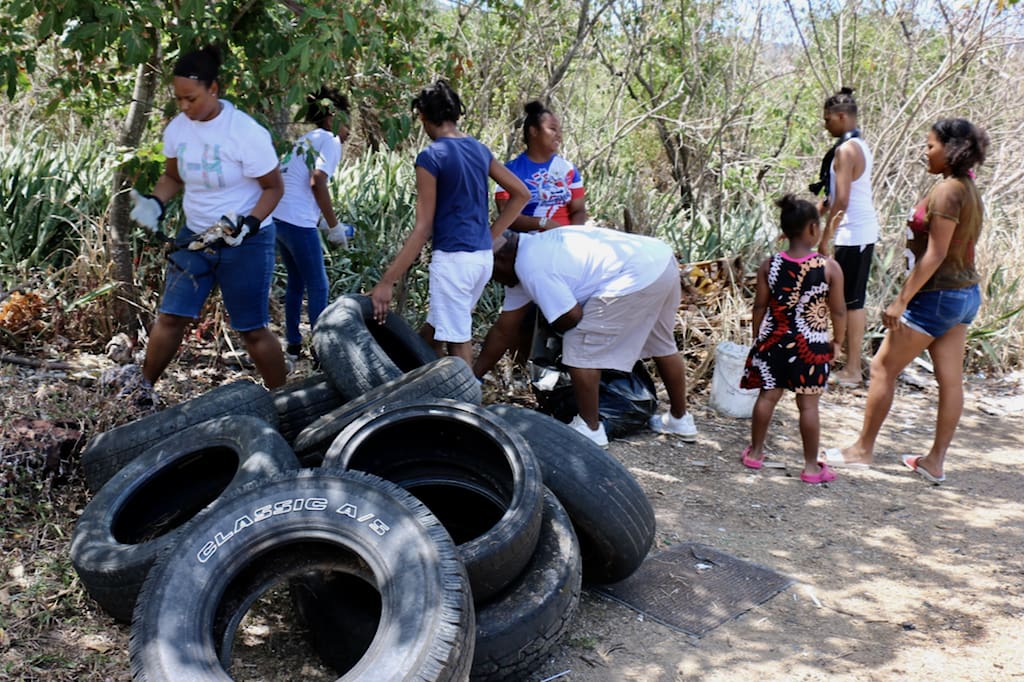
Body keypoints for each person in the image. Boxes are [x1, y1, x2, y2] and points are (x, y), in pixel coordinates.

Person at [821, 119, 989, 483]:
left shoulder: (948, 191)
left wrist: (901, 301)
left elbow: (936, 253)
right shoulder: (968, 187)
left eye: (930, 146)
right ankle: (934, 461)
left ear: (952, 149)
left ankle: (862, 450)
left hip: (937, 296)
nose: (924, 152)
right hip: (964, 294)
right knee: (951, 381)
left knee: (883, 367)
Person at [128, 45, 286, 393]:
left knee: (252, 329)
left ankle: (285, 400)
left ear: (213, 89)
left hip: (245, 241)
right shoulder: (178, 130)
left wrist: (250, 223)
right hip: (195, 237)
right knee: (170, 316)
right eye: (178, 100)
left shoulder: (245, 133)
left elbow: (274, 188)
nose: (184, 107)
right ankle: (142, 391)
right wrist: (156, 201)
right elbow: (173, 177)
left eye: (191, 98)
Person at [474, 227, 698, 448]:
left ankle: (590, 429)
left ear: (500, 260)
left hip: (635, 275)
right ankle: (680, 419)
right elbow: (504, 330)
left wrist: (554, 329)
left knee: (580, 346)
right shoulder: (528, 254)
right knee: (661, 343)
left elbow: (571, 317)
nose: (494, 282)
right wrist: (473, 378)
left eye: (491, 274)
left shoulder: (530, 267)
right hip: (661, 261)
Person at [368, 79, 530, 366]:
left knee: (458, 345)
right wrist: (491, 235)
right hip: (481, 260)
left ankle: (467, 407)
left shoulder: (431, 157)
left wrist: (387, 281)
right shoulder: (479, 150)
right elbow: (521, 194)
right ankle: (408, 378)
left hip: (454, 261)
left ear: (423, 117)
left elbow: (423, 226)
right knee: (435, 330)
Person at [739, 195, 847, 483]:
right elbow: (838, 310)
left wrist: (757, 337)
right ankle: (812, 467)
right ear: (814, 229)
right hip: (810, 346)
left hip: (773, 341)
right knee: (808, 407)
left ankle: (756, 453)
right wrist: (837, 343)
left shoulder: (769, 265)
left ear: (785, 232)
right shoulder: (828, 268)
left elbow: (759, 306)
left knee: (767, 398)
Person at [273, 87, 351, 362]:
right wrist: (334, 226)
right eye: (346, 119)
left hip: (279, 219)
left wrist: (323, 221)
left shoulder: (303, 140)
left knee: (296, 283)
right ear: (332, 117)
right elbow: (317, 181)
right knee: (319, 285)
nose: (349, 129)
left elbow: (296, 187)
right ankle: (322, 353)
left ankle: (293, 347)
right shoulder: (330, 140)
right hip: (296, 221)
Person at [811, 87, 880, 387]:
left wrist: (825, 237)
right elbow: (833, 198)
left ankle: (852, 370)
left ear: (842, 117)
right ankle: (848, 363)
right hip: (856, 231)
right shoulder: (856, 146)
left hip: (854, 233)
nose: (825, 125)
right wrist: (812, 216)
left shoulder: (847, 150)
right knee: (850, 299)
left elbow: (843, 201)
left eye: (828, 120)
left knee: (852, 301)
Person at [494, 100, 587, 231]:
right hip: (528, 241)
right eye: (552, 129)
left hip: (567, 241)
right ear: (534, 131)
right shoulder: (510, 171)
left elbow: (579, 211)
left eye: (560, 130)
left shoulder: (569, 170)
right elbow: (505, 214)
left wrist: (572, 235)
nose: (559, 135)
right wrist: (543, 223)